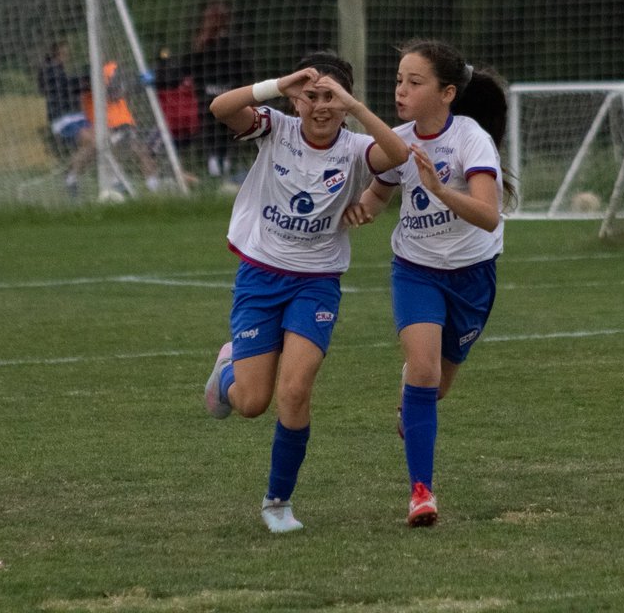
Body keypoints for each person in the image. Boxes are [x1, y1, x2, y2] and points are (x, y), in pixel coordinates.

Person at [201, 51, 408, 534]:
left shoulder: (357, 148)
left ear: (346, 102)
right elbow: (219, 109)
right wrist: (277, 84)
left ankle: (278, 502)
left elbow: (396, 158)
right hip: (260, 276)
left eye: (331, 98)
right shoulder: (275, 127)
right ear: (297, 101)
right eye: (312, 96)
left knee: (294, 392)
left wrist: (355, 109)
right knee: (252, 403)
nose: (321, 106)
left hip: (317, 283)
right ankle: (227, 370)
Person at [342, 38, 513, 528]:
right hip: (415, 269)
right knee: (422, 369)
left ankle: (412, 400)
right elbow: (376, 195)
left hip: (473, 275)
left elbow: (487, 215)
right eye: (398, 80)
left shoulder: (471, 139)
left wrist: (439, 190)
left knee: (434, 387)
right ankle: (421, 493)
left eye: (414, 83)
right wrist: (358, 211)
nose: (401, 91)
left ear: (447, 93)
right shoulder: (399, 142)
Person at [184, 0, 255, 179]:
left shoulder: (202, 45)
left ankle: (217, 174)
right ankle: (223, 175)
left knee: (214, 140)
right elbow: (244, 72)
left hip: (210, 101)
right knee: (226, 138)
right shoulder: (231, 45)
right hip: (229, 99)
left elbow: (192, 71)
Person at [80, 60, 164, 194]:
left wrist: (137, 80)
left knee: (139, 151)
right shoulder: (87, 89)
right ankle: (116, 182)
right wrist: (137, 83)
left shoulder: (109, 72)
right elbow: (113, 94)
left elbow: (119, 86)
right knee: (108, 150)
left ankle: (153, 186)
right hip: (107, 127)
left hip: (123, 124)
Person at [37, 39, 95, 197]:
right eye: (64, 52)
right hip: (62, 118)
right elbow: (66, 86)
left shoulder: (61, 70)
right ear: (57, 53)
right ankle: (71, 177)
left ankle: (72, 175)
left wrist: (87, 79)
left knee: (98, 141)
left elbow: (72, 85)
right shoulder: (50, 71)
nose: (67, 55)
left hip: (77, 115)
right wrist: (85, 79)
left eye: (67, 52)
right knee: (91, 142)